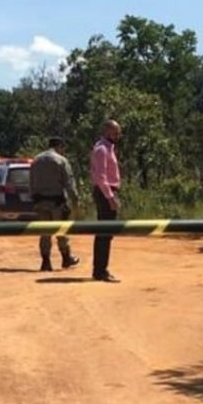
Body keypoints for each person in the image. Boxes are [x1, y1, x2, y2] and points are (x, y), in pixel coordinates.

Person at [30, 137, 81, 272]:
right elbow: (69, 183)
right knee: (61, 230)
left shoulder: (36, 160)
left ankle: (46, 262)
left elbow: (31, 182)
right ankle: (66, 257)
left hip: (40, 201)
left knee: (44, 232)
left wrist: (34, 199)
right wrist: (75, 201)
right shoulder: (61, 161)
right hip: (56, 201)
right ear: (60, 146)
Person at [90, 120, 122, 283]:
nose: (118, 135)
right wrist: (110, 198)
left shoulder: (108, 148)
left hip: (107, 191)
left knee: (106, 233)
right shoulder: (102, 149)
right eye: (116, 132)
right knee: (105, 232)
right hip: (105, 192)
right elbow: (101, 177)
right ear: (107, 131)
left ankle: (100, 269)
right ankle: (100, 270)